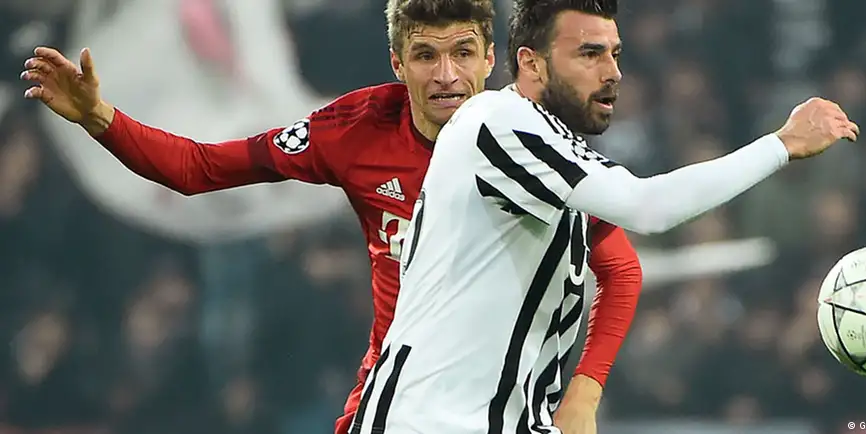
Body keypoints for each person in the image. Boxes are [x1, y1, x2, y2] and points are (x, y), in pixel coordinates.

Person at [19, 1, 643, 433]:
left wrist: (585, 391)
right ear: (397, 63)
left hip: (504, 412)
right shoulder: (355, 130)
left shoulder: (535, 147)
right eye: (425, 56)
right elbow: (198, 169)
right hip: (394, 409)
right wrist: (101, 118)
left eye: (462, 53)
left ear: (488, 62)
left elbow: (621, 270)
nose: (446, 76)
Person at [352, 0, 862, 433]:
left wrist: (586, 386)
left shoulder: (553, 154)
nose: (612, 72)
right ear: (531, 64)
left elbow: (622, 269)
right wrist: (781, 144)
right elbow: (649, 208)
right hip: (425, 420)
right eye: (589, 54)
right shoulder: (497, 122)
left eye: (615, 54)